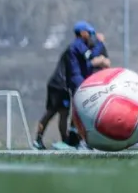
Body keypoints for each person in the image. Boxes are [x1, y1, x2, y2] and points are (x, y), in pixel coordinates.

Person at [33, 21, 99, 150]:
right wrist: (99, 46)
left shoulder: (77, 46)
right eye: (89, 33)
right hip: (59, 85)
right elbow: (91, 57)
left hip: (60, 85)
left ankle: (60, 140)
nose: (91, 36)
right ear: (82, 33)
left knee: (62, 113)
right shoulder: (78, 44)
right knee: (54, 113)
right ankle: (48, 140)